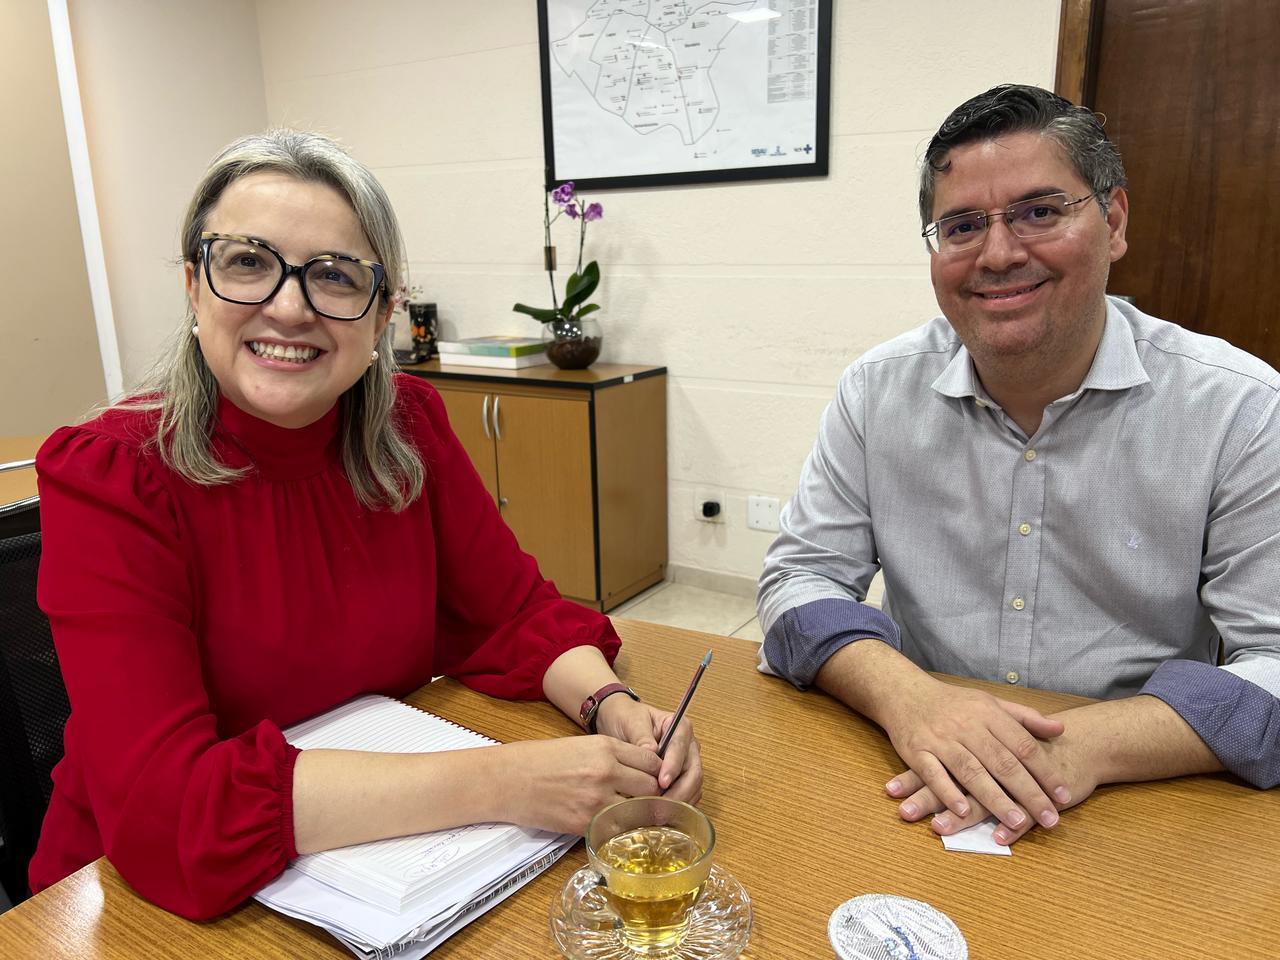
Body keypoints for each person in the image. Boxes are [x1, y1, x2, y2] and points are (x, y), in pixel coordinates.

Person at [29, 130, 701, 918]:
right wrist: (514, 783)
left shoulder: (406, 429)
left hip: (376, 868)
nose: (288, 305)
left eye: (334, 276)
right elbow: (163, 805)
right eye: (247, 262)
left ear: (383, 311)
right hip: (130, 898)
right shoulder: (113, 475)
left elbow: (515, 613)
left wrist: (612, 708)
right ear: (193, 286)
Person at [757, 84, 1279, 848]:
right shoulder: (877, 391)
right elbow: (796, 579)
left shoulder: (1239, 408)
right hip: (919, 765)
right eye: (962, 226)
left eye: (1040, 211)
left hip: (1142, 787)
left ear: (1115, 221)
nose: (999, 254)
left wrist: (1078, 747)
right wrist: (910, 699)